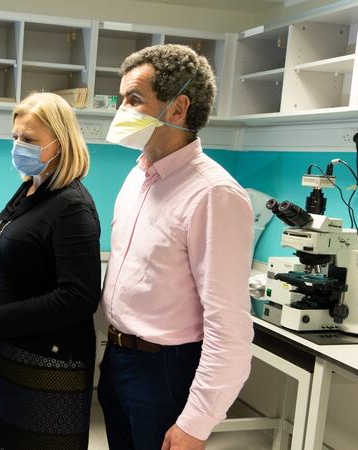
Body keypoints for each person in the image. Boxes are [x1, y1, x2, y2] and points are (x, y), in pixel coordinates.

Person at [99, 44, 254, 450]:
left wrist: (197, 422)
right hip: (117, 357)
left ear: (178, 107)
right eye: (121, 100)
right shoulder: (139, 177)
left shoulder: (213, 194)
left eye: (134, 100)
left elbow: (230, 327)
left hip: (165, 369)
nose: (121, 111)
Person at [0, 92, 101, 449]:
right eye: (15, 138)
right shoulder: (31, 188)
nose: (18, 147)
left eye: (29, 140)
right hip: (16, 349)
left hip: (51, 361)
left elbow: (79, 297)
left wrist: (4, 319)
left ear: (60, 144)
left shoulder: (71, 205)